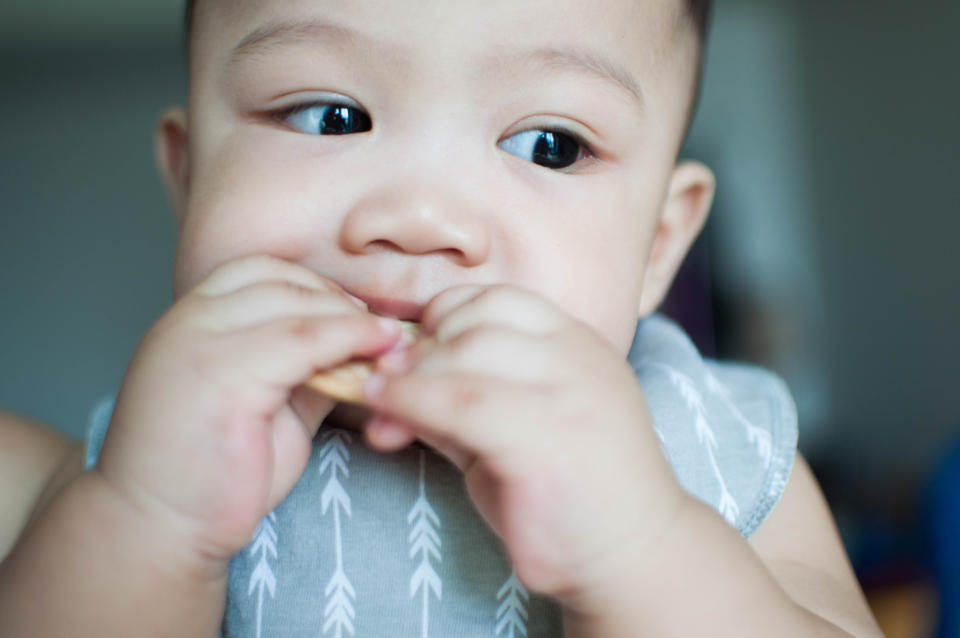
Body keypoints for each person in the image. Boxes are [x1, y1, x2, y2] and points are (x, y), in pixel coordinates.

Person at [0, 0, 884, 636]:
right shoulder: (139, 457)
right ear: (188, 180)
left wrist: (643, 546)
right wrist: (148, 522)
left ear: (658, 245)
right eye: (330, 117)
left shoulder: (713, 447)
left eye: (551, 144)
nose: (421, 219)